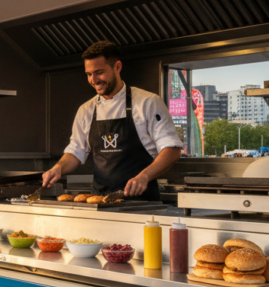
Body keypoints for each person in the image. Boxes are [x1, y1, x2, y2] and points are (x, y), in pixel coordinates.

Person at [42, 41, 183, 200]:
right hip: (101, 204)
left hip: (142, 204)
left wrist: (144, 176)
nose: (94, 80)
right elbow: (76, 151)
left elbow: (172, 150)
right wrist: (58, 168)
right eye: (89, 74)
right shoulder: (86, 110)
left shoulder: (148, 102)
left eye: (99, 72)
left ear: (117, 67)